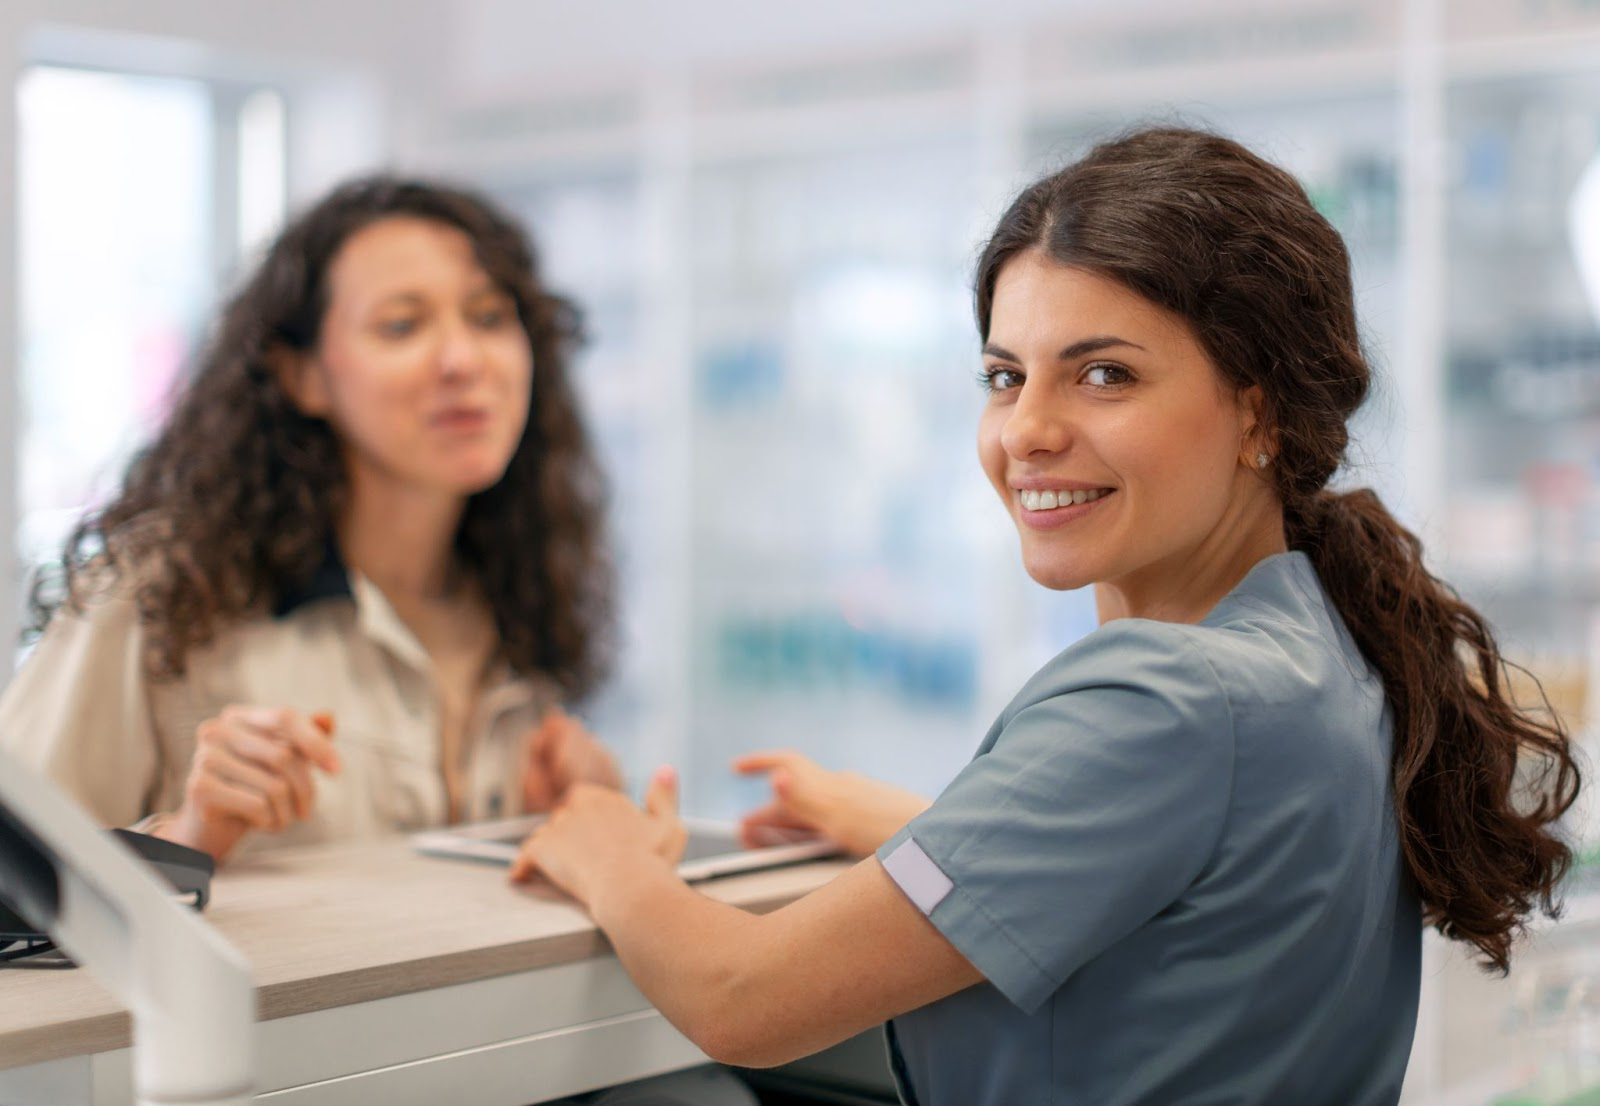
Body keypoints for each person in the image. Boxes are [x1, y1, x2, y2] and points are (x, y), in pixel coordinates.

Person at [507, 127, 1581, 1105]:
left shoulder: (1166, 698)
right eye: (1004, 375)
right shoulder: (1314, 645)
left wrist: (605, 849)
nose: (1026, 430)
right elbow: (1167, 871)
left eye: (1103, 374)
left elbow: (742, 996)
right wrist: (909, 828)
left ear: (1257, 407)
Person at [0, 176, 625, 863]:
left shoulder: (521, 597)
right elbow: (13, 889)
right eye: (402, 325)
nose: (462, 360)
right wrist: (185, 840)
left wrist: (571, 826)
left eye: (488, 317)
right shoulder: (162, 592)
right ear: (302, 376)